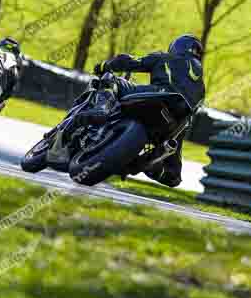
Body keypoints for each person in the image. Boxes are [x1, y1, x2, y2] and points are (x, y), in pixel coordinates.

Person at [74, 34, 205, 187]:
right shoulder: (201, 87)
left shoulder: (165, 57)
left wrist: (105, 66)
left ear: (176, 46)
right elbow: (191, 116)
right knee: (173, 176)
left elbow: (130, 62)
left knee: (111, 79)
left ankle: (101, 109)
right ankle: (151, 163)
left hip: (158, 96)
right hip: (175, 124)